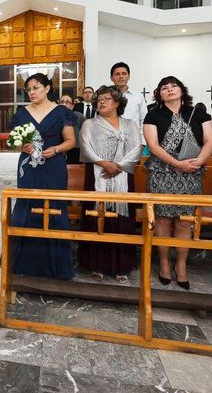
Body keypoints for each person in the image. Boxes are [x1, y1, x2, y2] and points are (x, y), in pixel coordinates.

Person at [143, 76, 212, 290]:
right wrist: (176, 163)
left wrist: (197, 163)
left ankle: (181, 265)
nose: (169, 89)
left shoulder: (198, 113)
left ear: (182, 90)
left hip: (191, 172)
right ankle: (164, 262)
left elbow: (210, 140)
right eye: (164, 87)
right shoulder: (153, 115)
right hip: (161, 172)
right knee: (163, 220)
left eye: (174, 86)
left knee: (185, 221)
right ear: (159, 94)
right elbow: (153, 145)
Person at [10, 73, 76, 279]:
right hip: (29, 165)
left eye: (36, 88)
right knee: (26, 205)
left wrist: (56, 149)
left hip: (53, 165)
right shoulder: (21, 113)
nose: (31, 92)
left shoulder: (61, 112)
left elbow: (70, 141)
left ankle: (56, 263)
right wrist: (23, 146)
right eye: (28, 89)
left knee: (54, 206)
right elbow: (14, 142)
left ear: (47, 88)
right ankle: (23, 262)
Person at [77, 86, 143, 282]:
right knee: (96, 217)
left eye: (107, 99)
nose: (102, 102)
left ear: (117, 102)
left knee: (121, 220)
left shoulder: (130, 124)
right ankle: (96, 265)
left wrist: (119, 166)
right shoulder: (90, 123)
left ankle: (121, 266)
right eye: (99, 99)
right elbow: (85, 146)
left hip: (123, 176)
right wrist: (103, 163)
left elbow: (137, 148)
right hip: (97, 174)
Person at [110, 62, 148, 137]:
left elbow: (144, 120)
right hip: (110, 138)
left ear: (129, 76)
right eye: (117, 74)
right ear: (111, 78)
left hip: (133, 139)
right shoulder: (105, 96)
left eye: (124, 73)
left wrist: (141, 141)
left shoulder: (138, 96)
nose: (121, 76)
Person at [59, 94, 84, 164]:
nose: (64, 104)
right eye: (62, 102)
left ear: (72, 106)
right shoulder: (54, 117)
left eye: (67, 102)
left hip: (76, 150)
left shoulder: (79, 116)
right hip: (59, 149)